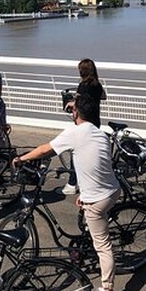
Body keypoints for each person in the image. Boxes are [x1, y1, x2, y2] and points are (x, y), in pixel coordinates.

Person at [13, 94, 121, 291]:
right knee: (93, 220)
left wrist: (21, 158)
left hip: (98, 199)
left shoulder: (74, 132)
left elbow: (45, 150)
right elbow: (93, 164)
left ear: (77, 112)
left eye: (72, 109)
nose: (71, 111)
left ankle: (107, 290)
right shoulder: (100, 133)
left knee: (103, 245)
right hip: (111, 190)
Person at [61, 58, 107, 195]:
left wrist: (71, 103)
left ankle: (72, 183)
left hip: (83, 124)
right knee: (91, 153)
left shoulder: (83, 86)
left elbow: (78, 103)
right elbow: (103, 97)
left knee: (76, 152)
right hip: (95, 122)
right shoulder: (97, 85)